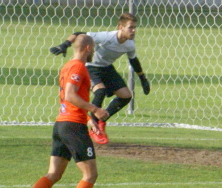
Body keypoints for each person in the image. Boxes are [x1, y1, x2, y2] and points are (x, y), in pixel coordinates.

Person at [16, 34, 108, 188]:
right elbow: (70, 95)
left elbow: (71, 98)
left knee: (54, 173)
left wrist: (88, 119)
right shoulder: (78, 67)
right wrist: (95, 109)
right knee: (90, 174)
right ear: (88, 48)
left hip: (62, 124)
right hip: (73, 126)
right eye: (93, 48)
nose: (94, 51)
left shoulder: (67, 66)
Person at [50, 12, 150, 146]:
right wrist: (65, 44)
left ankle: (102, 120)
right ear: (120, 27)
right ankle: (94, 128)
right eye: (130, 27)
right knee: (100, 91)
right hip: (91, 67)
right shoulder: (107, 37)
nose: (133, 31)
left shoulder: (130, 44)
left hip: (107, 68)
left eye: (134, 27)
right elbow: (80, 34)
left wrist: (143, 79)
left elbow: (134, 61)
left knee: (126, 96)